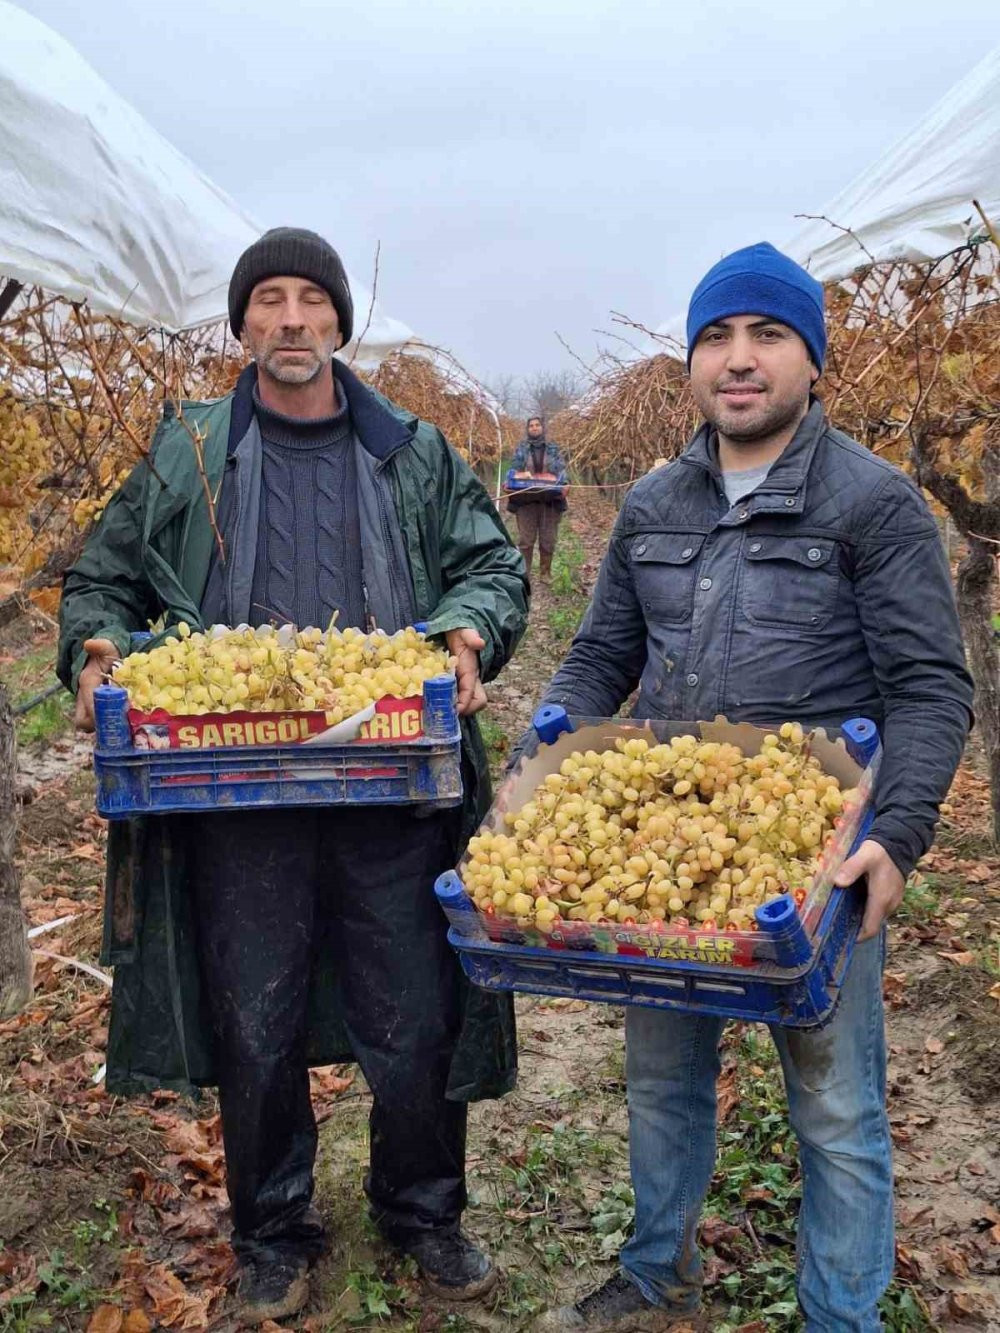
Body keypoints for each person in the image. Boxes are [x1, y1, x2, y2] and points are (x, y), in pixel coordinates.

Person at [58, 228, 529, 1325]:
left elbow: (490, 564)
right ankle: (272, 1230)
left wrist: (465, 636)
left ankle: (422, 1211)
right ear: (242, 326)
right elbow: (102, 575)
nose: (288, 320)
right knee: (252, 1018)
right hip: (237, 792)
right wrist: (94, 651)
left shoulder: (411, 451)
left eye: (309, 300)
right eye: (266, 300)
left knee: (412, 1014)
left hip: (389, 782)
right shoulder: (188, 451)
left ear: (337, 323)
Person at [531, 243, 973, 1333]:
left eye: (767, 336)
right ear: (691, 363)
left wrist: (898, 835)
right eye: (716, 338)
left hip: (811, 854)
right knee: (659, 1078)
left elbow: (929, 686)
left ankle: (839, 1314)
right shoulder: (650, 502)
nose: (739, 360)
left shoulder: (871, 505)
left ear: (810, 362)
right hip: (667, 849)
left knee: (831, 1105)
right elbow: (602, 655)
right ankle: (653, 1276)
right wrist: (557, 730)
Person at [505, 414, 568, 581]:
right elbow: (515, 469)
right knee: (526, 540)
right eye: (531, 425)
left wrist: (564, 484)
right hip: (526, 500)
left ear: (542, 428)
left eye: (537, 425)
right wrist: (512, 482)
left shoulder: (553, 448)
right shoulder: (521, 449)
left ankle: (545, 573)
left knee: (548, 540)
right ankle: (524, 574)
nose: (534, 428)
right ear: (528, 429)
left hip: (549, 501)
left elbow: (561, 470)